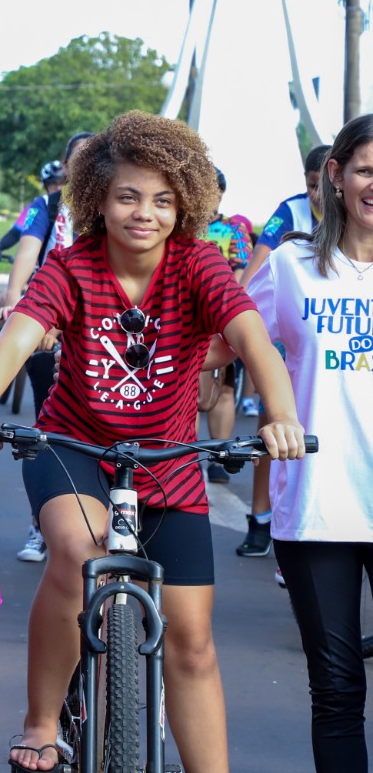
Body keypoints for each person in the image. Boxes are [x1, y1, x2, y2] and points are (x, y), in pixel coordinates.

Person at [0, 111, 308, 773]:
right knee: (77, 553)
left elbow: (250, 337)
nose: (143, 213)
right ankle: (41, 720)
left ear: (186, 205)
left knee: (194, 643)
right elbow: (19, 338)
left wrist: (279, 415)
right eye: (127, 196)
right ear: (97, 197)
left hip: (170, 461)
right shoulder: (71, 266)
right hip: (75, 449)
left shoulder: (199, 263)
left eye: (162, 199)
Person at [239, 114, 373, 772]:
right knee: (340, 688)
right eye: (367, 169)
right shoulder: (289, 266)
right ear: (337, 177)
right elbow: (216, 343)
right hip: (319, 507)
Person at [233, 144, 332, 559]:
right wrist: (236, 316)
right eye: (311, 185)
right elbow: (260, 263)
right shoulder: (291, 213)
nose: (317, 194)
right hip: (290, 327)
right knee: (275, 424)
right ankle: (261, 518)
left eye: (322, 185)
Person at [1, 132, 94, 564]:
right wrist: (16, 301)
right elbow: (27, 255)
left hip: (107, 333)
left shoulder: (120, 204)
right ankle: (41, 525)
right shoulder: (49, 206)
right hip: (50, 323)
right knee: (47, 429)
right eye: (78, 159)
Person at [198, 168, 252, 485]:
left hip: (223, 317)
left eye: (212, 190)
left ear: (220, 194)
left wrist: (229, 311)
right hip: (185, 317)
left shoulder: (234, 229)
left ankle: (219, 457)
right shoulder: (181, 225)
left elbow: (243, 269)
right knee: (184, 386)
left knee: (225, 388)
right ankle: (185, 456)